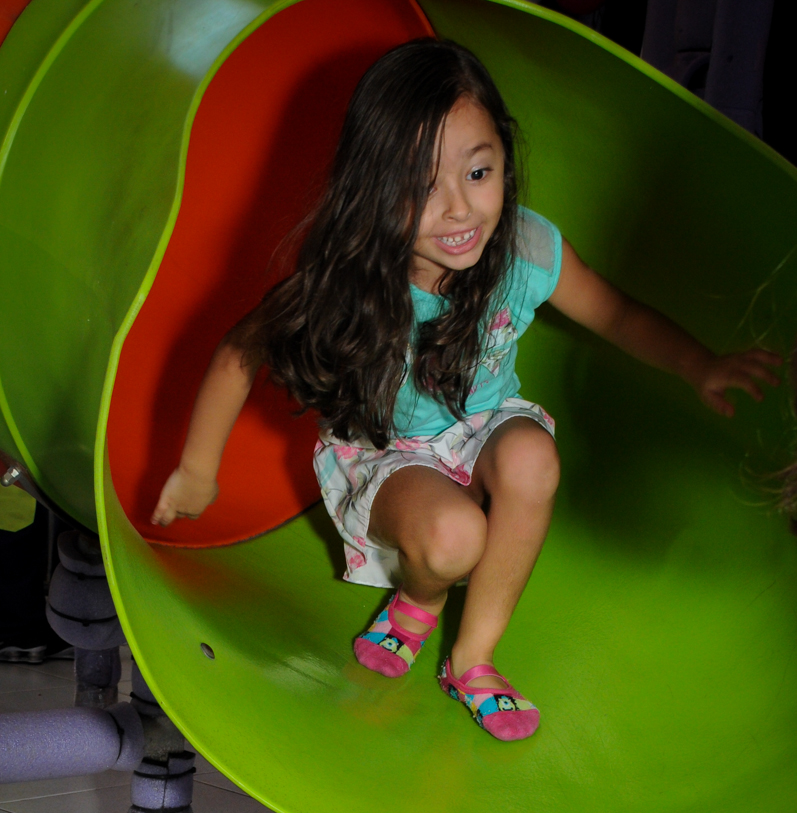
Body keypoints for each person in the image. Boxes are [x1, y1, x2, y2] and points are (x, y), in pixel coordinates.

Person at [151, 39, 779, 743]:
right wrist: (198, 472)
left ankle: (472, 659)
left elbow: (617, 313)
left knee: (533, 458)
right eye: (420, 188)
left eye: (477, 171)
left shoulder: (526, 248)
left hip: (484, 424)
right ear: (372, 188)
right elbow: (241, 348)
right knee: (454, 538)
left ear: (504, 159)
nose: (458, 210)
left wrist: (698, 365)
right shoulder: (355, 275)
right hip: (387, 453)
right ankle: (417, 602)